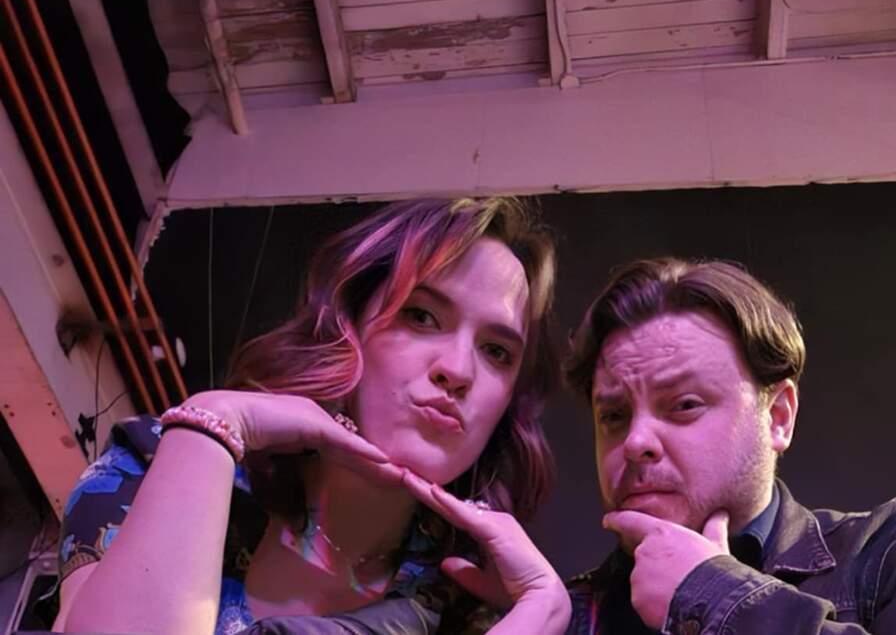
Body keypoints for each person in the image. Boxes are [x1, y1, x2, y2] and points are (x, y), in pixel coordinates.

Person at [54, 198, 570, 635]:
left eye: (497, 352)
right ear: (348, 324)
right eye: (421, 316)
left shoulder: (468, 605)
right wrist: (216, 415)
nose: (457, 370)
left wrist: (542, 610)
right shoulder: (159, 464)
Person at [562, 258, 896, 634]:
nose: (635, 441)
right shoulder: (564, 615)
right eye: (614, 416)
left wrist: (712, 596)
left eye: (684, 404)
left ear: (778, 417)